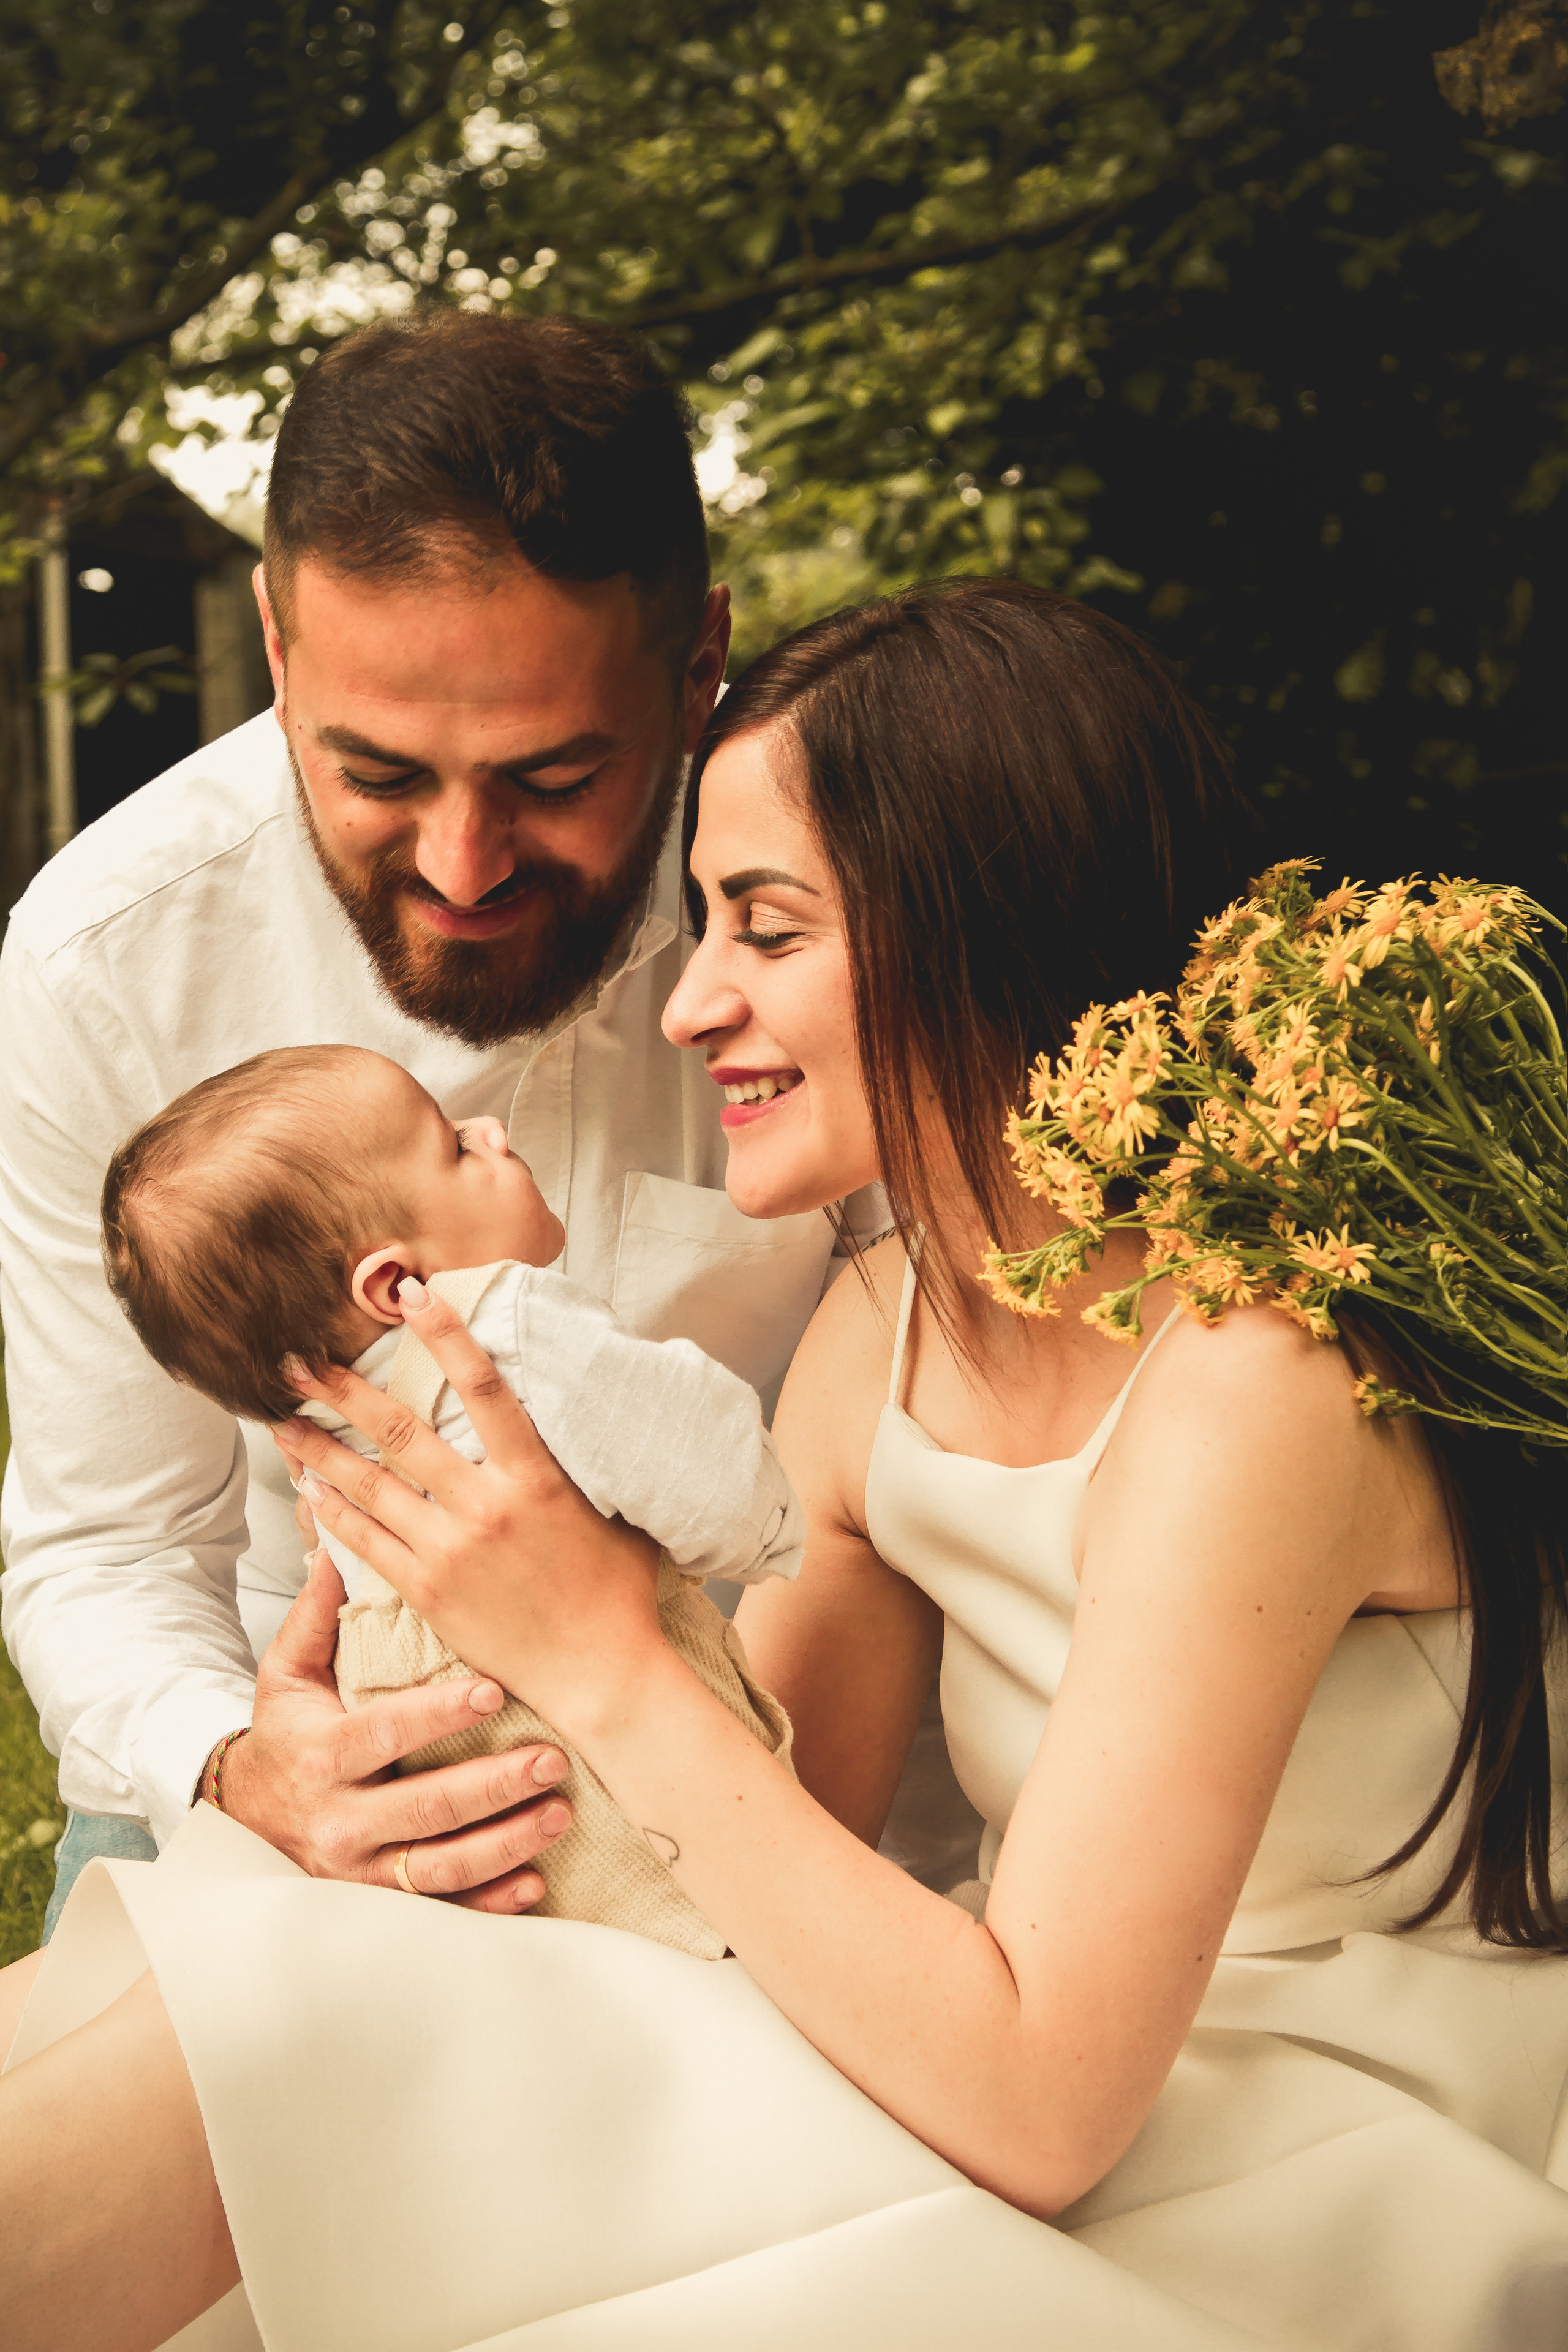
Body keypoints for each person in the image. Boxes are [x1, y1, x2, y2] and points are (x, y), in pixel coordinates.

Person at [4, 581, 1567, 2352]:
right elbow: (746, 1855)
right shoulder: (883, 1332)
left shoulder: (1255, 1374)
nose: (690, 1004)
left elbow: (1050, 2109)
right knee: (268, 1971)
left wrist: (597, 1646)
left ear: (979, 924)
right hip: (1002, 2067)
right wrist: (423, 1795)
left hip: (1301, 2150)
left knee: (313, 2048)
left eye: (765, 927)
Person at [0, 310, 902, 1937]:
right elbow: (107, 1547)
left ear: (697, 663)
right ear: (278, 645)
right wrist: (247, 1765)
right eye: (378, 774)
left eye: (556, 776)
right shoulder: (108, 959)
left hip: (772, 1746)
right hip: (316, 1761)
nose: (465, 865)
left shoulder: (839, 910)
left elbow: (929, 1442)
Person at [97, 1041, 801, 1954]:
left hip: (447, 1781)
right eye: (457, 1148)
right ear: (395, 1285)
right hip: (611, 1769)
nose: (490, 1130)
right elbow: (710, 1473)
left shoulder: (325, 1441)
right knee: (709, 1931)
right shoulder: (514, 1325)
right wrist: (773, 1532)